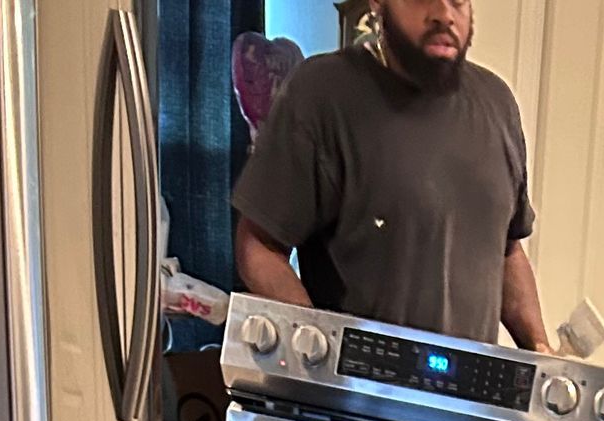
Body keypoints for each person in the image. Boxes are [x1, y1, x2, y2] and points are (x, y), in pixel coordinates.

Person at [232, 0, 548, 352]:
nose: (444, 15)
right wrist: (316, 345)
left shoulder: (498, 104)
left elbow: (508, 251)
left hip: (467, 404)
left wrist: (540, 349)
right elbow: (257, 245)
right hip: (351, 397)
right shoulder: (322, 92)